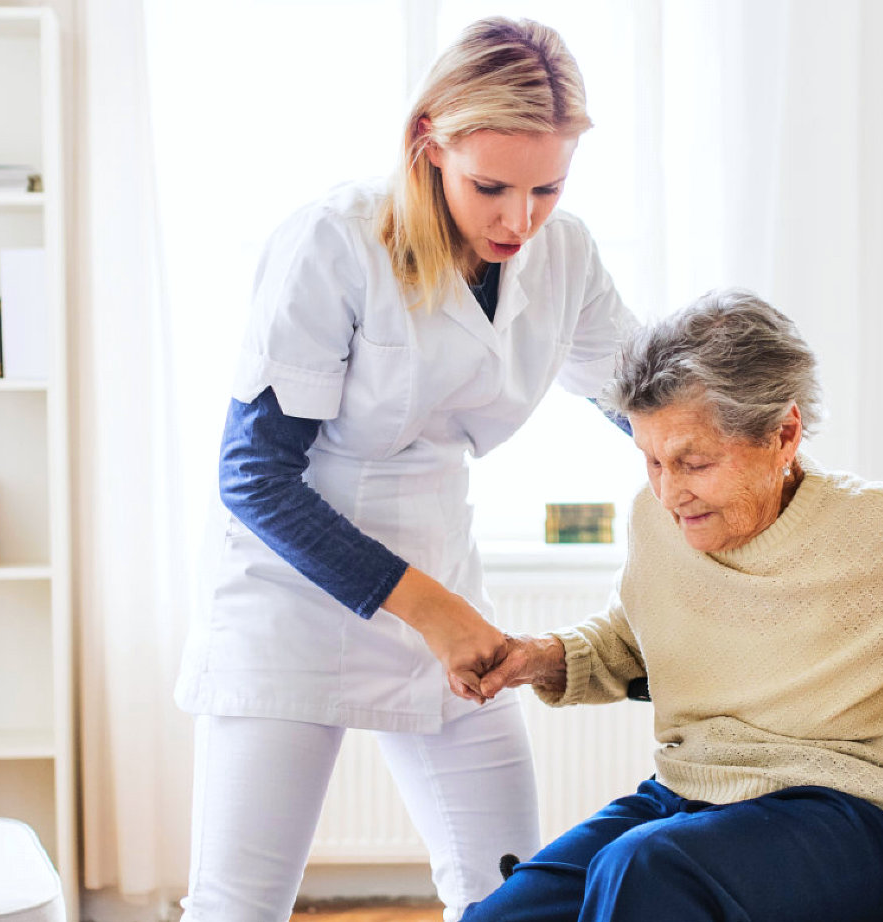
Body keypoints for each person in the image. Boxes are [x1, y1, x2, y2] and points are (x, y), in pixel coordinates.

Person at [459, 288, 883, 922]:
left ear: (783, 436)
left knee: (644, 870)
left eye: (695, 463)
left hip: (853, 809)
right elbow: (634, 637)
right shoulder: (658, 518)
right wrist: (542, 658)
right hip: (692, 795)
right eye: (652, 461)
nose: (670, 493)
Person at [173, 17, 638, 922]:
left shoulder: (564, 252)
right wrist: (432, 610)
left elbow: (642, 396)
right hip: (291, 597)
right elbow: (255, 477)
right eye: (491, 186)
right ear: (431, 142)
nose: (519, 219)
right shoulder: (334, 243)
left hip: (442, 572)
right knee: (239, 905)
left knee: (511, 895)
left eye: (548, 186)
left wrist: (751, 458)